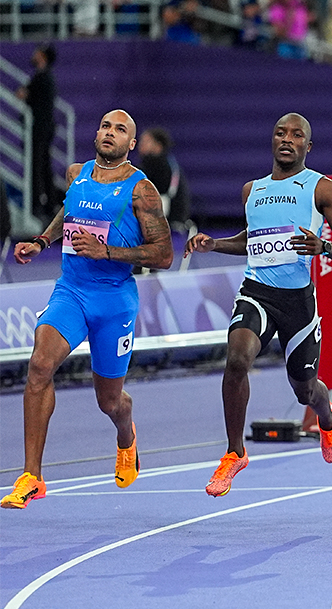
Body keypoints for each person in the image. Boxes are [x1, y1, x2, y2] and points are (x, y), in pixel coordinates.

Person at [2, 110, 174, 509]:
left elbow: (164, 254)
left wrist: (108, 252)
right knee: (40, 366)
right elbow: (69, 213)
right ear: (96, 134)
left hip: (114, 301)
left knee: (109, 402)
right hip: (72, 292)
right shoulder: (77, 173)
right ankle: (32, 476)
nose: (110, 133)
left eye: (121, 130)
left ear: (131, 144)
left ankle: (126, 435)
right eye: (106, 126)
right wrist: (42, 241)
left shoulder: (140, 190)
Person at [183, 113, 332, 497]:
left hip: (298, 303)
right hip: (257, 292)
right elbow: (251, 239)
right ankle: (234, 453)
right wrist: (215, 244)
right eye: (280, 132)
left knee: (305, 389)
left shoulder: (322, 188)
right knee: (236, 360)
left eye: (297, 135)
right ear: (272, 140)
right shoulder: (252, 190)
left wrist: (324, 247)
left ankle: (327, 417)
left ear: (307, 147)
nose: (287, 139)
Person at [16, 44, 57, 224]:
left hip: (39, 129)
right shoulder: (43, 78)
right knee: (43, 166)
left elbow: (27, 95)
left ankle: (39, 204)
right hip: (43, 128)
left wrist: (27, 94)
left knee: (37, 167)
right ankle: (48, 203)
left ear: (42, 56)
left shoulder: (42, 78)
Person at [137, 127, 191, 230]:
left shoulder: (158, 165)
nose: (141, 144)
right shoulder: (169, 163)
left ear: (158, 146)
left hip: (167, 219)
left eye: (146, 141)